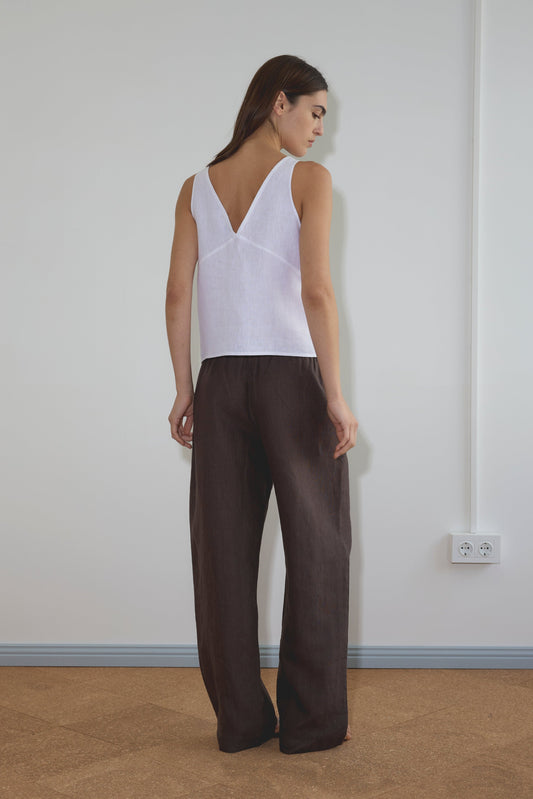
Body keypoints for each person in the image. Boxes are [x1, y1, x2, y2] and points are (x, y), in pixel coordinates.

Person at [165, 54, 358, 755]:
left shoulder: (196, 186)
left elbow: (177, 295)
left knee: (220, 551)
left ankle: (241, 720)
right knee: (318, 548)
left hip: (219, 384)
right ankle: (310, 724)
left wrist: (185, 388)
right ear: (279, 102)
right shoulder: (308, 181)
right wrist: (334, 394)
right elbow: (317, 292)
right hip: (290, 380)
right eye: (315, 111)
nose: (319, 128)